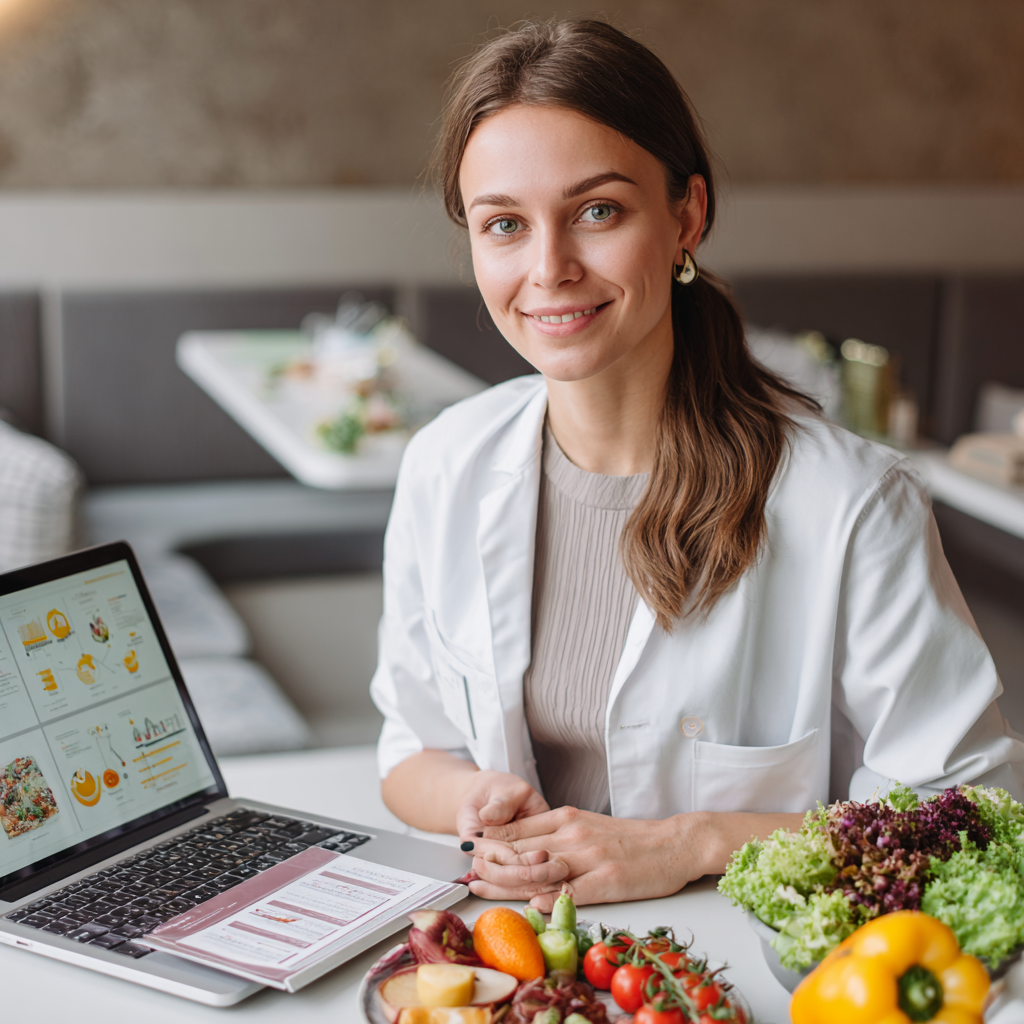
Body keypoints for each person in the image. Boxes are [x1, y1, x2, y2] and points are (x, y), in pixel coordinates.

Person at [370, 19, 1024, 911]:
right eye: (505, 225)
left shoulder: (850, 504)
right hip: (517, 961)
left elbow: (973, 814)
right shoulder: (445, 464)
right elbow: (409, 749)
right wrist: (476, 802)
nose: (549, 267)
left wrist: (694, 842)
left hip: (742, 971)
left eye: (597, 211)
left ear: (687, 216)